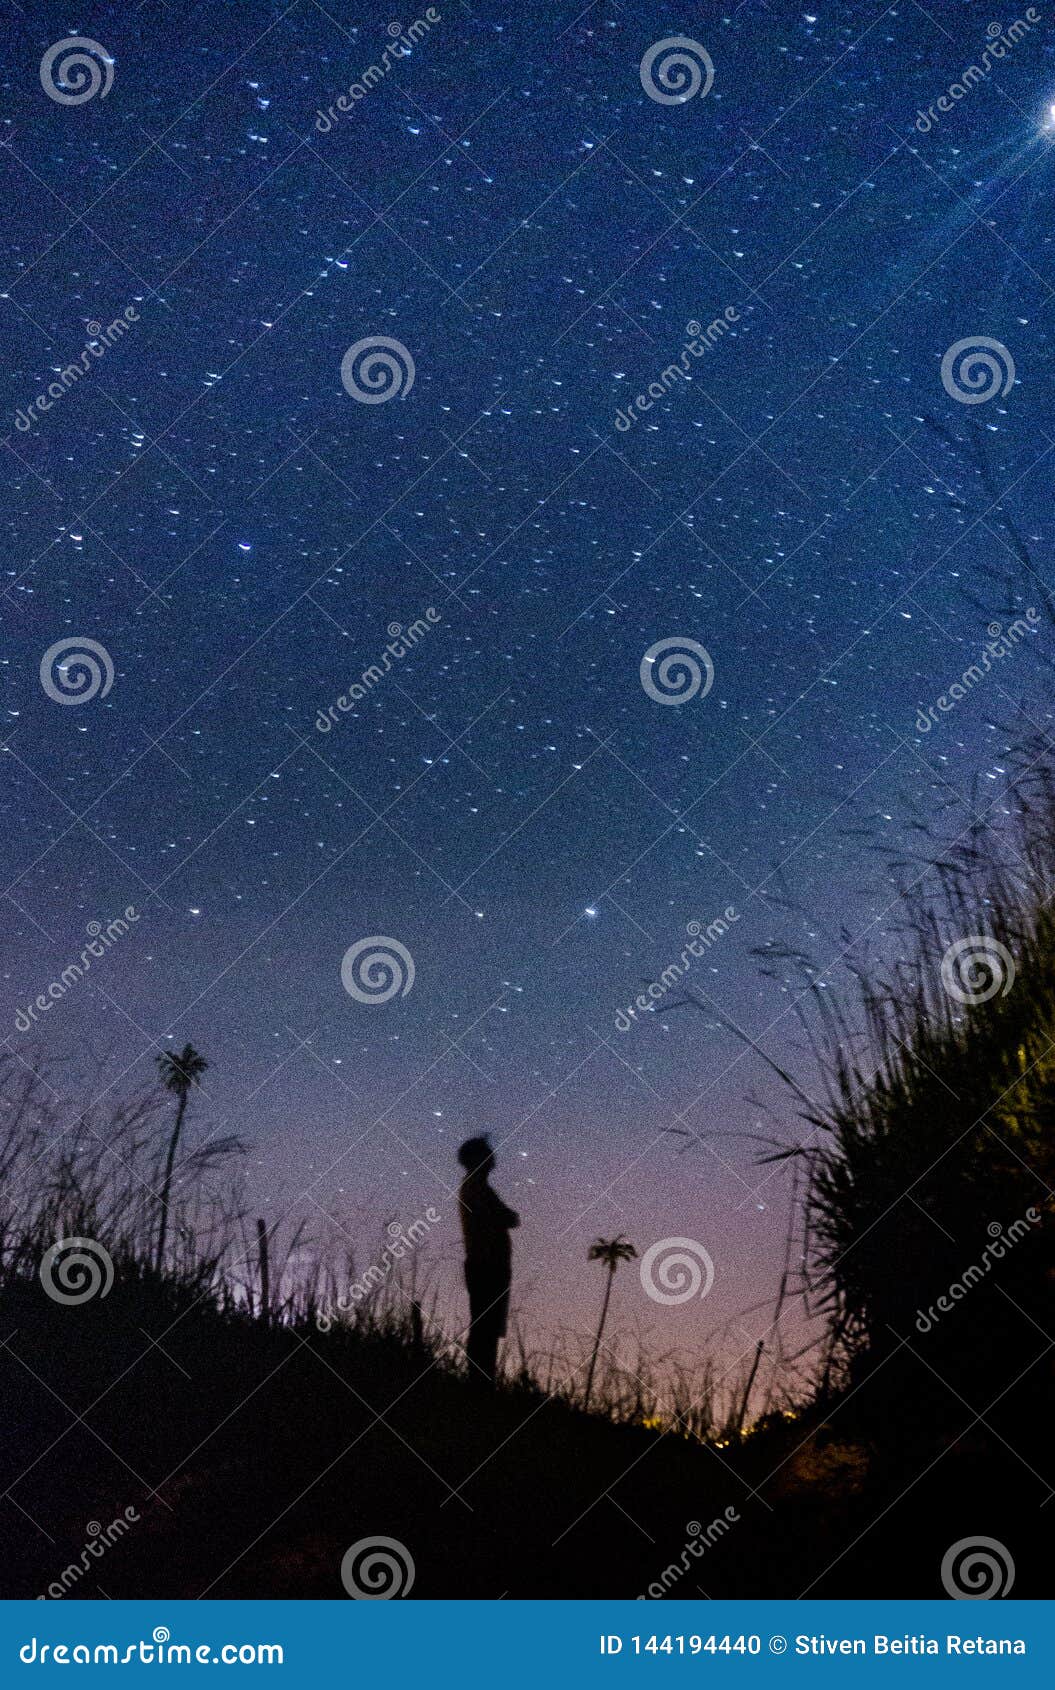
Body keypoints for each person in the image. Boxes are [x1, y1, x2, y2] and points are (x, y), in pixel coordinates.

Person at [457, 1135, 519, 1385]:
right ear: (476, 1158)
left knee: (486, 1326)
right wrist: (505, 1216)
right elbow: (506, 1217)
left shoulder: (478, 1187)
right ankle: (480, 1383)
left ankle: (481, 1381)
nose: (492, 1157)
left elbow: (506, 1217)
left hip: (488, 1265)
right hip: (486, 1266)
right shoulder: (476, 1188)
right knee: (485, 1327)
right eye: (487, 1153)